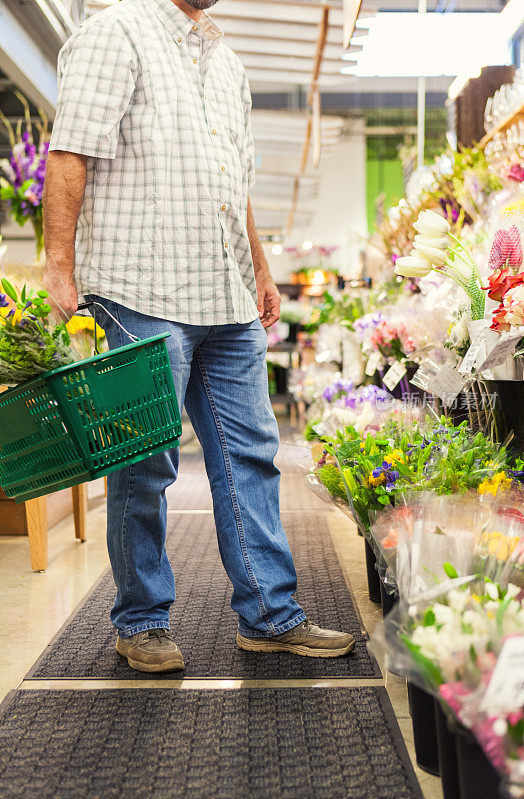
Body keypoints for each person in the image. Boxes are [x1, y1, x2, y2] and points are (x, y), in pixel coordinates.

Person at [43, 0, 355, 673]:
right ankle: (141, 621)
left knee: (251, 457)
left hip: (227, 296)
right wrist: (60, 269)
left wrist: (261, 271)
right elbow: (70, 150)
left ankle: (270, 616)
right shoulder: (114, 32)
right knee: (146, 462)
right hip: (138, 288)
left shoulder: (226, 59)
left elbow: (231, 179)